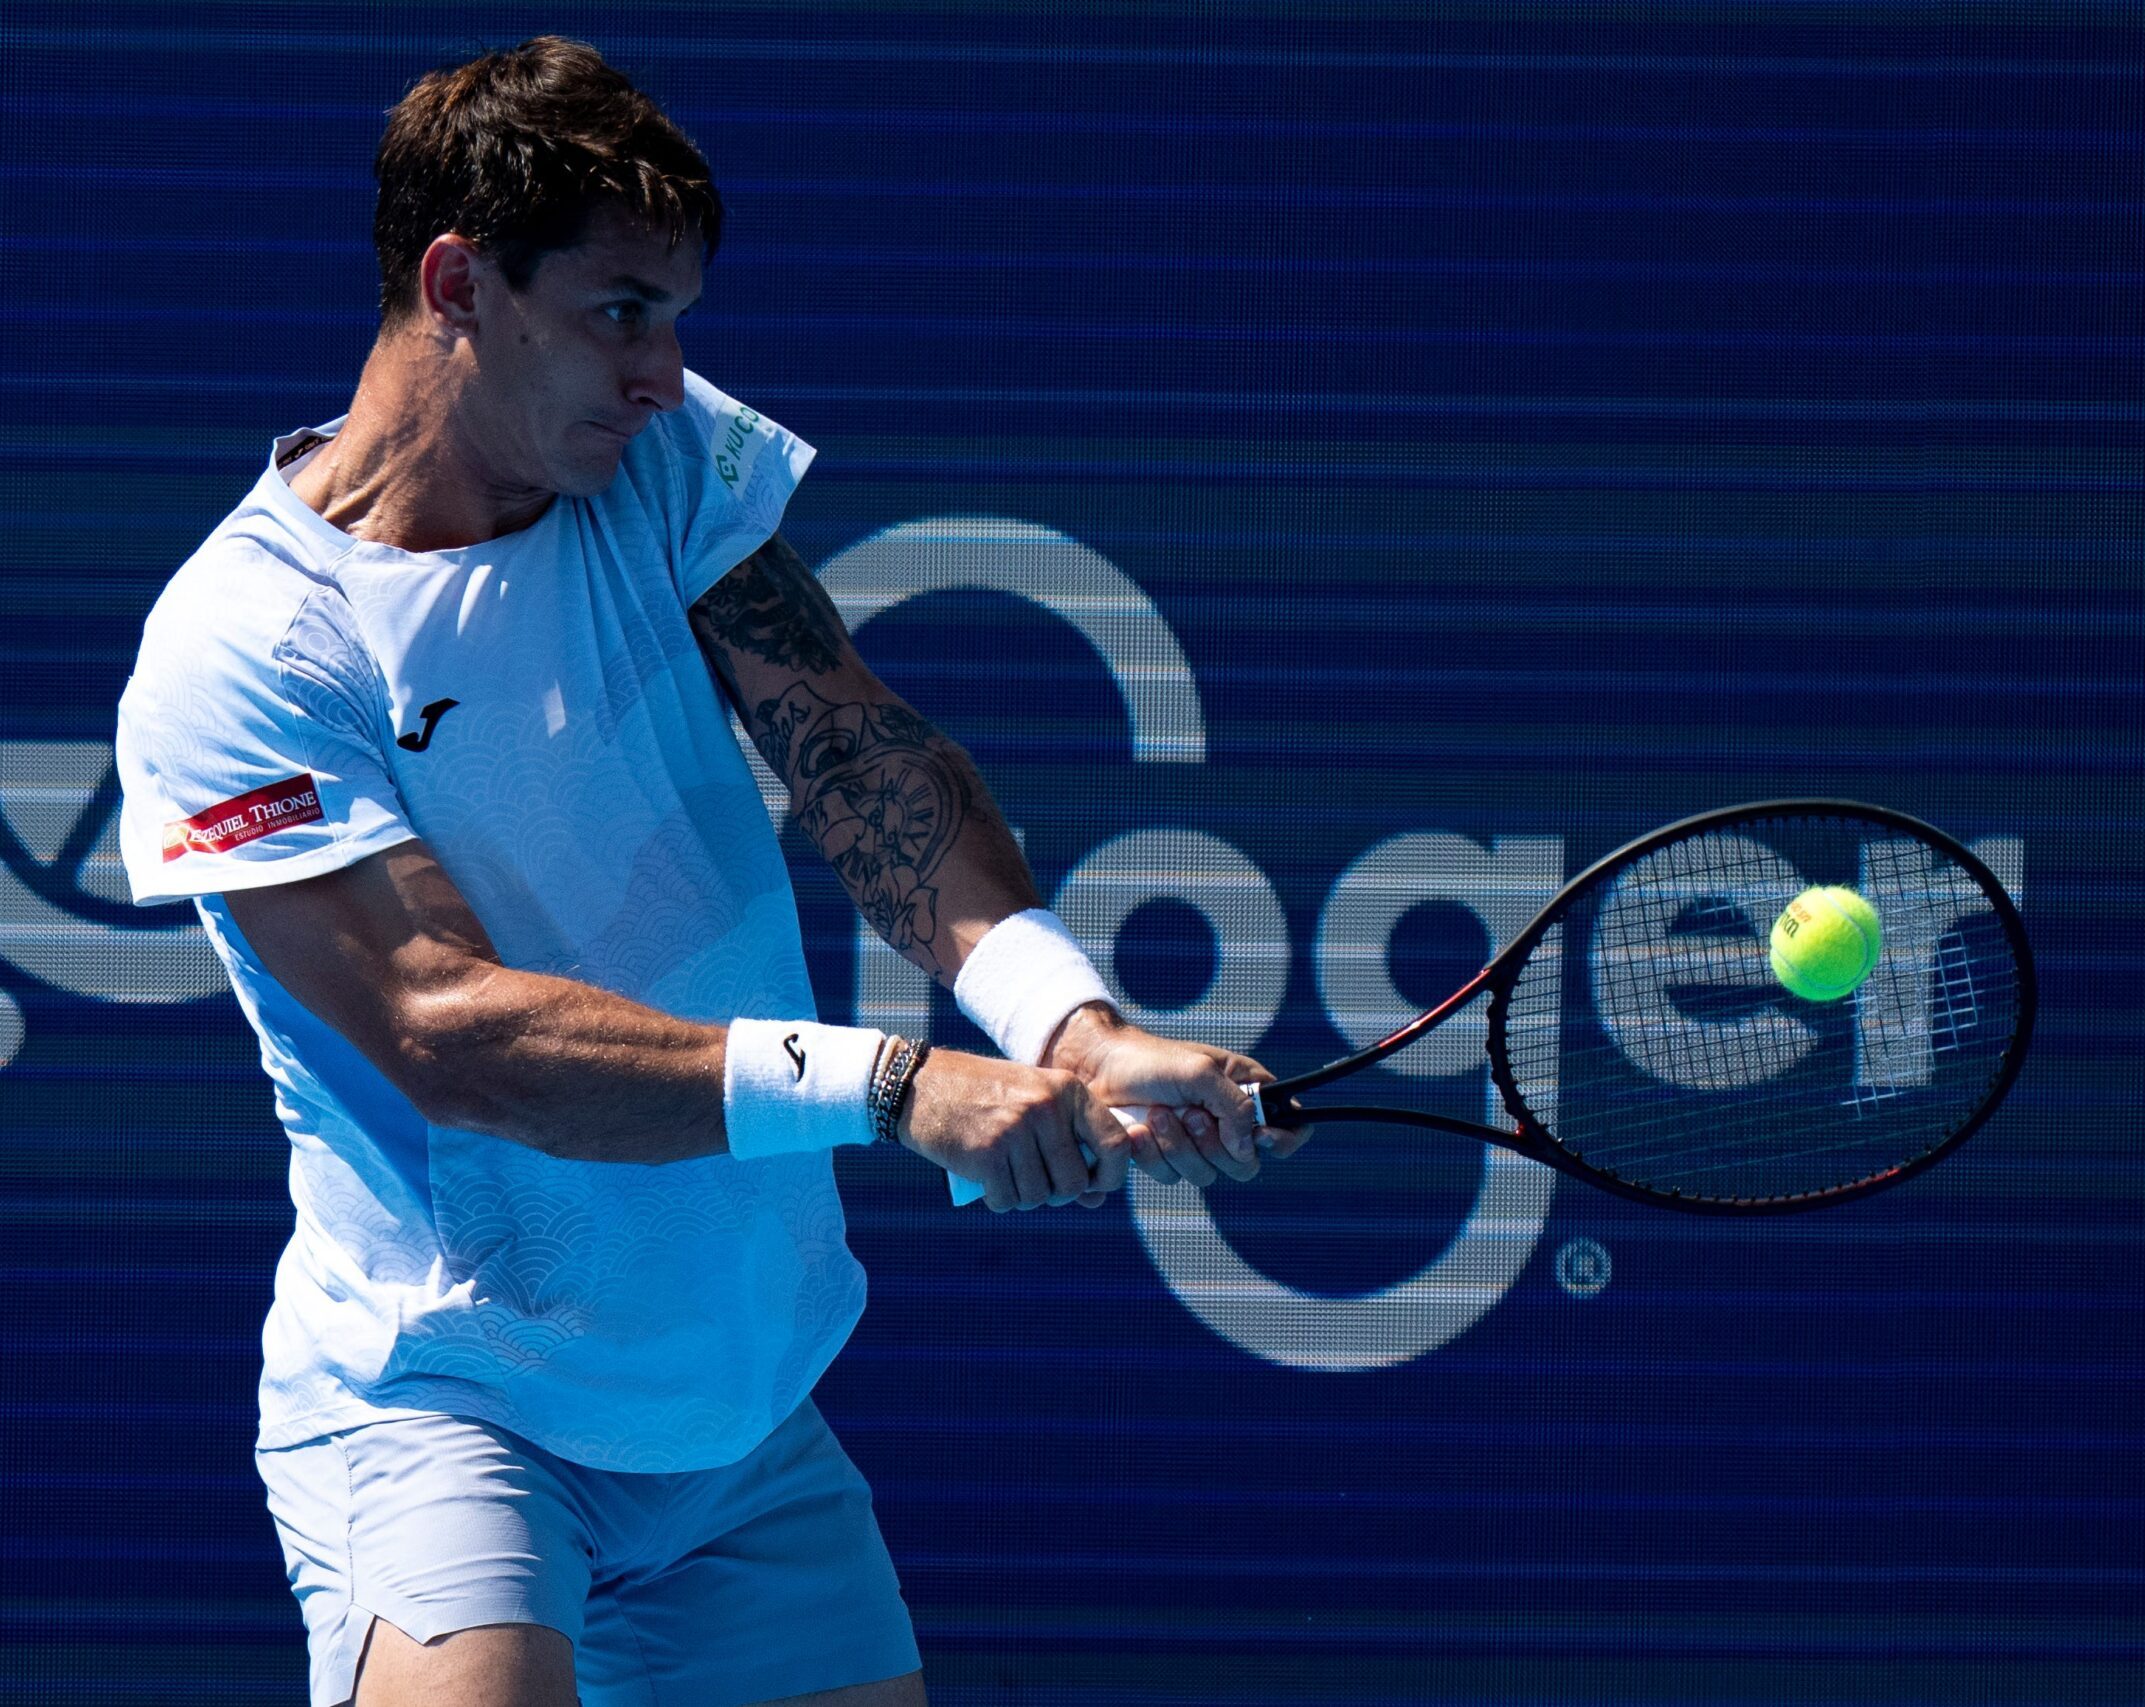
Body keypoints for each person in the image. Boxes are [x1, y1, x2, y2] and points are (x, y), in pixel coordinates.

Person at [112, 36, 1301, 1707]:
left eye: (673, 318)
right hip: (450, 1403)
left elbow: (858, 756)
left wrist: (1069, 1025)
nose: (663, 374)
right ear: (457, 285)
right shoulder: (247, 646)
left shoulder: (654, 463)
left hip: (737, 1417)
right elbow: (450, 1033)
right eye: (621, 312)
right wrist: (894, 1087)